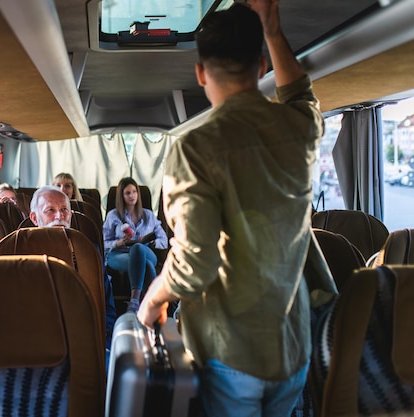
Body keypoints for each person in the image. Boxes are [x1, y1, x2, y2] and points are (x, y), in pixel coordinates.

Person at [137, 1, 336, 416]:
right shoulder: (299, 129)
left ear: (200, 73)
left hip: (231, 348)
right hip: (292, 342)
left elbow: (196, 261)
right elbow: (300, 93)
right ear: (261, 66)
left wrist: (153, 299)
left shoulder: (195, 148)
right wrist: (272, 28)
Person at [29, 185, 117, 366]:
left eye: (64, 210)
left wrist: (96, 340)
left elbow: (107, 308)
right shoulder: (21, 253)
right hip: (37, 342)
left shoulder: (89, 252)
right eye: (50, 210)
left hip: (86, 340)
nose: (59, 216)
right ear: (34, 218)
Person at [103, 177, 168, 313]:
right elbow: (103, 242)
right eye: (128, 193)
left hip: (147, 251)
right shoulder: (113, 215)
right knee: (146, 265)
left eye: (134, 192)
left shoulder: (149, 215)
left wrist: (150, 242)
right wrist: (119, 242)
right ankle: (152, 305)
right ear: (122, 196)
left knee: (139, 248)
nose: (132, 196)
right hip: (120, 254)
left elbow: (164, 241)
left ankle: (134, 301)